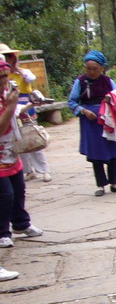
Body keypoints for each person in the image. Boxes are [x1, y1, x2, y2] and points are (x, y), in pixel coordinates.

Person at [68, 50, 116, 196]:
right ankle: (101, 184)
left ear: (101, 68)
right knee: (95, 152)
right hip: (90, 121)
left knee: (112, 148)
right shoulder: (80, 82)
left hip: (107, 118)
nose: (92, 72)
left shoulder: (108, 81)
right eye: (89, 69)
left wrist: (111, 99)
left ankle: (114, 183)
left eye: (95, 68)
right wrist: (83, 111)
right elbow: (72, 101)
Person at [0, 62, 43, 248]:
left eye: (6, 76)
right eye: (1, 78)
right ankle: (2, 232)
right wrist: (10, 106)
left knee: (18, 190)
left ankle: (21, 223)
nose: (5, 81)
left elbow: (14, 111)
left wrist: (30, 105)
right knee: (5, 194)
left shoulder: (5, 95)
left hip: (11, 151)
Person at [0, 43, 51, 183]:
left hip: (24, 107)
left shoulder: (21, 73)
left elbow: (30, 79)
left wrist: (17, 69)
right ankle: (28, 170)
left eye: (8, 58)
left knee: (32, 138)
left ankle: (44, 170)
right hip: (10, 109)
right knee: (17, 141)